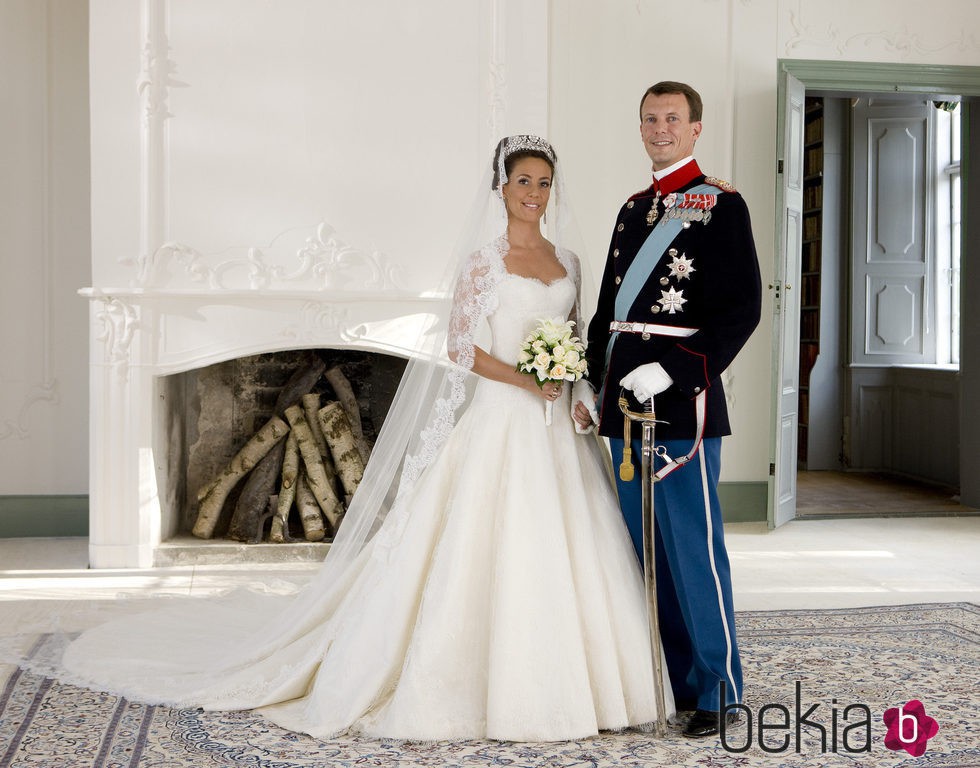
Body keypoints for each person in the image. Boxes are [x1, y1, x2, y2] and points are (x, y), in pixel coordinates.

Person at [13, 135, 672, 742]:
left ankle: (588, 686)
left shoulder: (572, 262)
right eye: (523, 180)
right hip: (503, 419)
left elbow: (581, 343)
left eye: (544, 181)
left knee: (572, 550)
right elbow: (460, 348)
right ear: (500, 188)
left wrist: (579, 397)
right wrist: (528, 382)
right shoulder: (483, 264)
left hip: (559, 432)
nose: (535, 192)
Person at [573, 82, 762, 739]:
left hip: (682, 405)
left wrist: (678, 370)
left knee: (693, 550)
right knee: (645, 554)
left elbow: (742, 310)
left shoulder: (719, 205)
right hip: (625, 402)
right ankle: (678, 682)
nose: (660, 128)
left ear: (695, 128)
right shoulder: (631, 210)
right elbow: (607, 314)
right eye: (650, 118)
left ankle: (718, 688)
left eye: (672, 118)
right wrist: (588, 384)